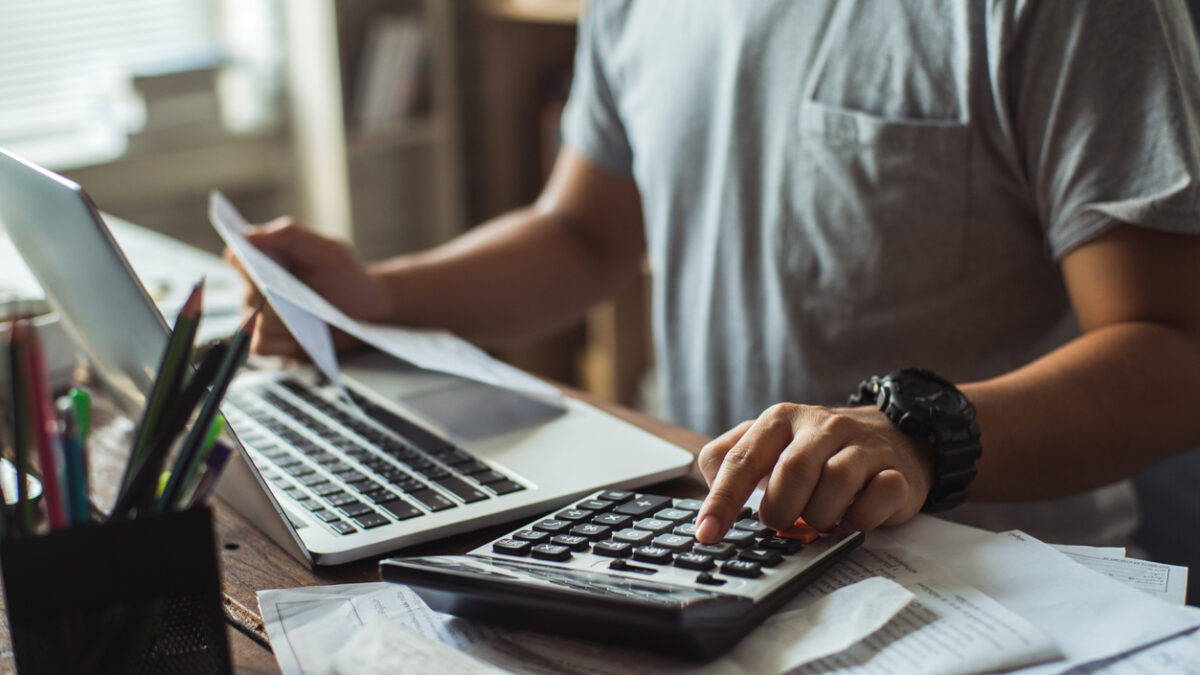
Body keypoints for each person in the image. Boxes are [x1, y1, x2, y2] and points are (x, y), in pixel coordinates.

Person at [233, 1, 1200, 548]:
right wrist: (380, 296)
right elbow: (582, 233)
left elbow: (1175, 352)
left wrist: (915, 434)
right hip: (715, 550)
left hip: (989, 589)